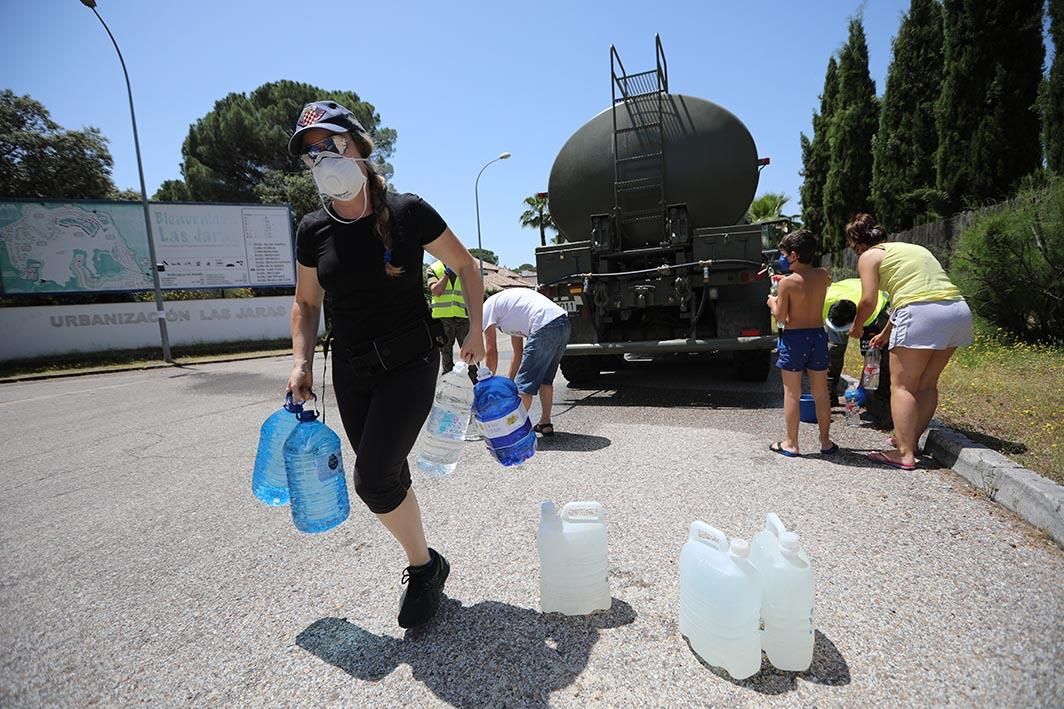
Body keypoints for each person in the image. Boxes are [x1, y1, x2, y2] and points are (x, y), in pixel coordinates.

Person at [285, 100, 485, 628]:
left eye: (329, 144)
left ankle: (422, 569)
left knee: (372, 479)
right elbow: (306, 303)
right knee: (389, 472)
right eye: (309, 153)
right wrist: (300, 361)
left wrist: (475, 329)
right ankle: (429, 562)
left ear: (358, 145)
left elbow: (464, 265)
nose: (320, 158)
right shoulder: (312, 230)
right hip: (351, 371)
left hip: (411, 358)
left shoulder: (407, 211)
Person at [846, 213, 972, 471]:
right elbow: (916, 292)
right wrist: (887, 332)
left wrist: (857, 327)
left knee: (902, 386)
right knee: (926, 384)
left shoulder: (869, 256)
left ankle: (903, 453)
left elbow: (868, 300)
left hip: (920, 313)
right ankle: (910, 442)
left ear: (857, 244)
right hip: (956, 310)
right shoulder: (913, 248)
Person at [766, 229, 837, 458]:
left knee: (792, 393)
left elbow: (781, 316)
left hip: (795, 339)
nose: (783, 258)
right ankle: (825, 442)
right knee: (821, 392)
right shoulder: (823, 275)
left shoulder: (787, 283)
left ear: (794, 255)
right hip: (817, 335)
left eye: (785, 254)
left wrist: (772, 300)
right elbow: (806, 288)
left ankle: (792, 443)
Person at [482, 287, 571, 436]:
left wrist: (488, 382)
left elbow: (491, 351)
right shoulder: (506, 312)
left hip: (544, 323)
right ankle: (545, 423)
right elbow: (518, 352)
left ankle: (514, 433)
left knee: (524, 385)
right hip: (562, 323)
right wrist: (509, 384)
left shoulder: (486, 309)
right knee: (545, 379)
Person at [823, 278, 892, 420]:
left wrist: (861, 389)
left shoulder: (873, 316)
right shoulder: (826, 303)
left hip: (874, 310)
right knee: (833, 350)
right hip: (845, 302)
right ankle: (828, 396)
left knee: (877, 357)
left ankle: (880, 405)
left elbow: (872, 358)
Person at [426, 259, 470, 374]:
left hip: (463, 318)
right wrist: (447, 273)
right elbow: (436, 291)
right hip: (443, 320)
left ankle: (477, 387)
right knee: (446, 359)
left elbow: (473, 293)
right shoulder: (433, 269)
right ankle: (448, 387)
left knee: (471, 356)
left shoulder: (465, 268)